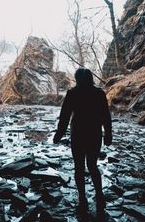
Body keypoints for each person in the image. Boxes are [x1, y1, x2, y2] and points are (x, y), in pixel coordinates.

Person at [53, 68, 112, 216]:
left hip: (78, 134)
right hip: (94, 134)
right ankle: (99, 196)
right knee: (92, 165)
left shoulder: (73, 93)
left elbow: (65, 115)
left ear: (77, 79)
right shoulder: (99, 93)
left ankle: (82, 199)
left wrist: (59, 135)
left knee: (78, 167)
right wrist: (108, 135)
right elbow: (106, 116)